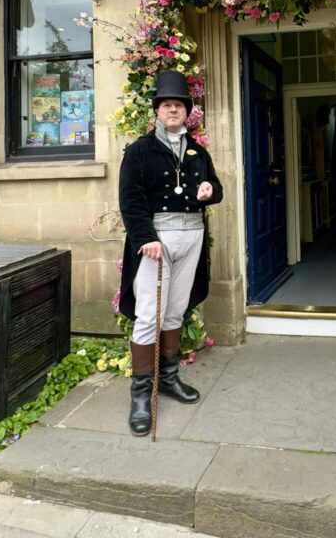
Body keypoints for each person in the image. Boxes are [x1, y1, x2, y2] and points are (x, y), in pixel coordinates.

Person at [117, 69, 223, 436]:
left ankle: (169, 379)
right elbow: (130, 200)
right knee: (149, 314)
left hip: (192, 236)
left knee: (176, 308)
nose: (172, 110)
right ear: (157, 112)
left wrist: (210, 188)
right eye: (166, 105)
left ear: (186, 111)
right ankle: (142, 394)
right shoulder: (140, 151)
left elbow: (218, 189)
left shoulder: (198, 151)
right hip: (156, 241)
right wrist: (145, 237)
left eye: (178, 105)